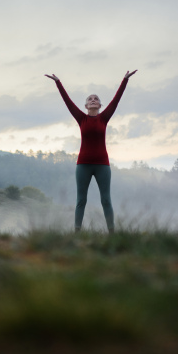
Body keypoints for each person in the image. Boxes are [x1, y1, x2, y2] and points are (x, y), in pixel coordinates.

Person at [45, 70, 137, 233]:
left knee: (106, 200)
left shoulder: (104, 118)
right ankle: (77, 232)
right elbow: (68, 102)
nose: (93, 100)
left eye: (96, 99)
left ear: (100, 106)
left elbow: (116, 100)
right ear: (86, 106)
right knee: (81, 200)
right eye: (90, 99)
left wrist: (125, 80)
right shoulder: (82, 119)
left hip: (102, 165)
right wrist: (58, 82)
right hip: (83, 165)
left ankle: (112, 233)